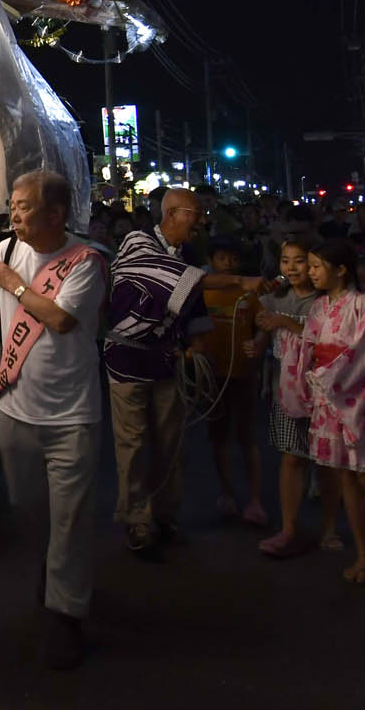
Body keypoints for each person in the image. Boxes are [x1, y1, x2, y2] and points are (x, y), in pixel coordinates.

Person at [0, 170, 106, 671]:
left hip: (72, 416)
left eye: (24, 206)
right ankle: (51, 579)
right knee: (26, 507)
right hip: (16, 408)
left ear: (55, 214)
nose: (14, 213)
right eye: (13, 203)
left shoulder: (86, 261)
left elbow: (60, 319)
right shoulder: (5, 250)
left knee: (69, 520)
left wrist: (15, 285)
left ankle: (66, 614)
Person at [102, 187, 262, 557]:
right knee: (134, 444)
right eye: (197, 212)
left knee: (171, 443)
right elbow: (188, 281)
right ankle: (137, 518)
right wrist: (240, 281)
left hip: (166, 359)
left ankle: (165, 515)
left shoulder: (187, 253)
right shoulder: (136, 242)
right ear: (172, 213)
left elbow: (191, 301)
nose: (203, 219)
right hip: (128, 358)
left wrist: (197, 340)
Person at [282, 239, 365, 583]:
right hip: (328, 396)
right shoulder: (319, 307)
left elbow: (362, 351)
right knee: (345, 475)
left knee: (363, 475)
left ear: (341, 270)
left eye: (317, 266)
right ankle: (364, 555)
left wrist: (328, 376)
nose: (311, 272)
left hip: (357, 399)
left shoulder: (362, 305)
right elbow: (309, 346)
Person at [251, 240, 343, 557]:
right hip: (288, 388)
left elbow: (330, 337)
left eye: (301, 261)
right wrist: (260, 341)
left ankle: (328, 527)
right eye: (285, 260)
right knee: (292, 457)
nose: (291, 268)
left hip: (325, 390)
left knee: (326, 462)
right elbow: (266, 330)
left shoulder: (326, 299)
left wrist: (285, 322)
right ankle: (289, 528)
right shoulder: (276, 298)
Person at [201, 238, 267, 526]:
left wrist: (260, 342)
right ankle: (226, 492)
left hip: (243, 374)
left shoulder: (248, 294)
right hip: (212, 375)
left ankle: (255, 499)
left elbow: (264, 326)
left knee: (247, 438)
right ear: (211, 260)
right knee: (218, 438)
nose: (227, 264)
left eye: (233, 259)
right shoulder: (202, 293)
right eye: (221, 258)